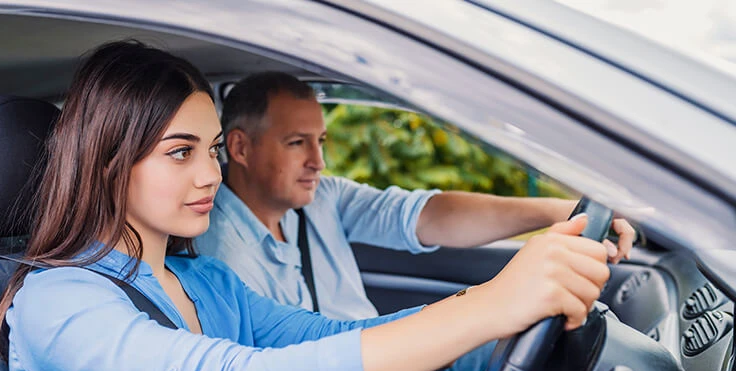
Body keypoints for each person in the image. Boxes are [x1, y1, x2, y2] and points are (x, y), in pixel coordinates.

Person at [0, 41, 611, 371]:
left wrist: (497, 311)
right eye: (180, 153)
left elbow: (332, 338)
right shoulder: (59, 300)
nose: (210, 175)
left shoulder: (206, 282)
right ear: (107, 163)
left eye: (211, 150)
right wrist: (490, 307)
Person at [195, 71, 635, 320]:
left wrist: (567, 210)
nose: (319, 161)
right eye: (297, 143)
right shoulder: (216, 256)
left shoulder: (322, 198)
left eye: (321, 141)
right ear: (240, 148)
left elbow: (430, 215)